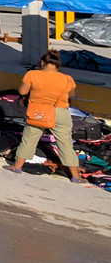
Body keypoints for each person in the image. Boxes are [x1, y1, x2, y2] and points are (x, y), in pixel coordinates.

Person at [8, 51, 87, 183]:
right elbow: (71, 94)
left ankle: (17, 167)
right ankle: (76, 176)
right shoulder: (67, 79)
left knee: (29, 139)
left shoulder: (32, 74)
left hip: (38, 112)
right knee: (66, 144)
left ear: (42, 62)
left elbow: (22, 91)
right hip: (60, 113)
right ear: (58, 65)